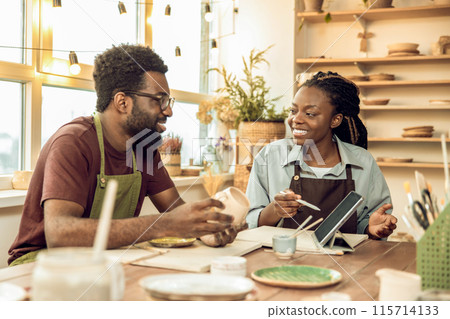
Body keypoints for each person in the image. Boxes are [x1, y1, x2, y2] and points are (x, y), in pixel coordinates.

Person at [8, 44, 242, 266]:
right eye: (159, 100)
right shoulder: (73, 143)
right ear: (122, 102)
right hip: (40, 264)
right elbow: (60, 234)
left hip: (102, 260)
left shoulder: (144, 148)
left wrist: (209, 226)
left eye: (168, 101)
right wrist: (165, 226)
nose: (169, 110)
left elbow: (176, 212)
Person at [246, 71, 397, 239]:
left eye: (309, 113)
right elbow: (250, 222)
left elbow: (367, 223)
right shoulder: (270, 155)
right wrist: (274, 210)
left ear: (335, 120)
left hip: (346, 262)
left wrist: (372, 229)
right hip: (283, 258)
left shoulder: (363, 162)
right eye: (293, 110)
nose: (296, 119)